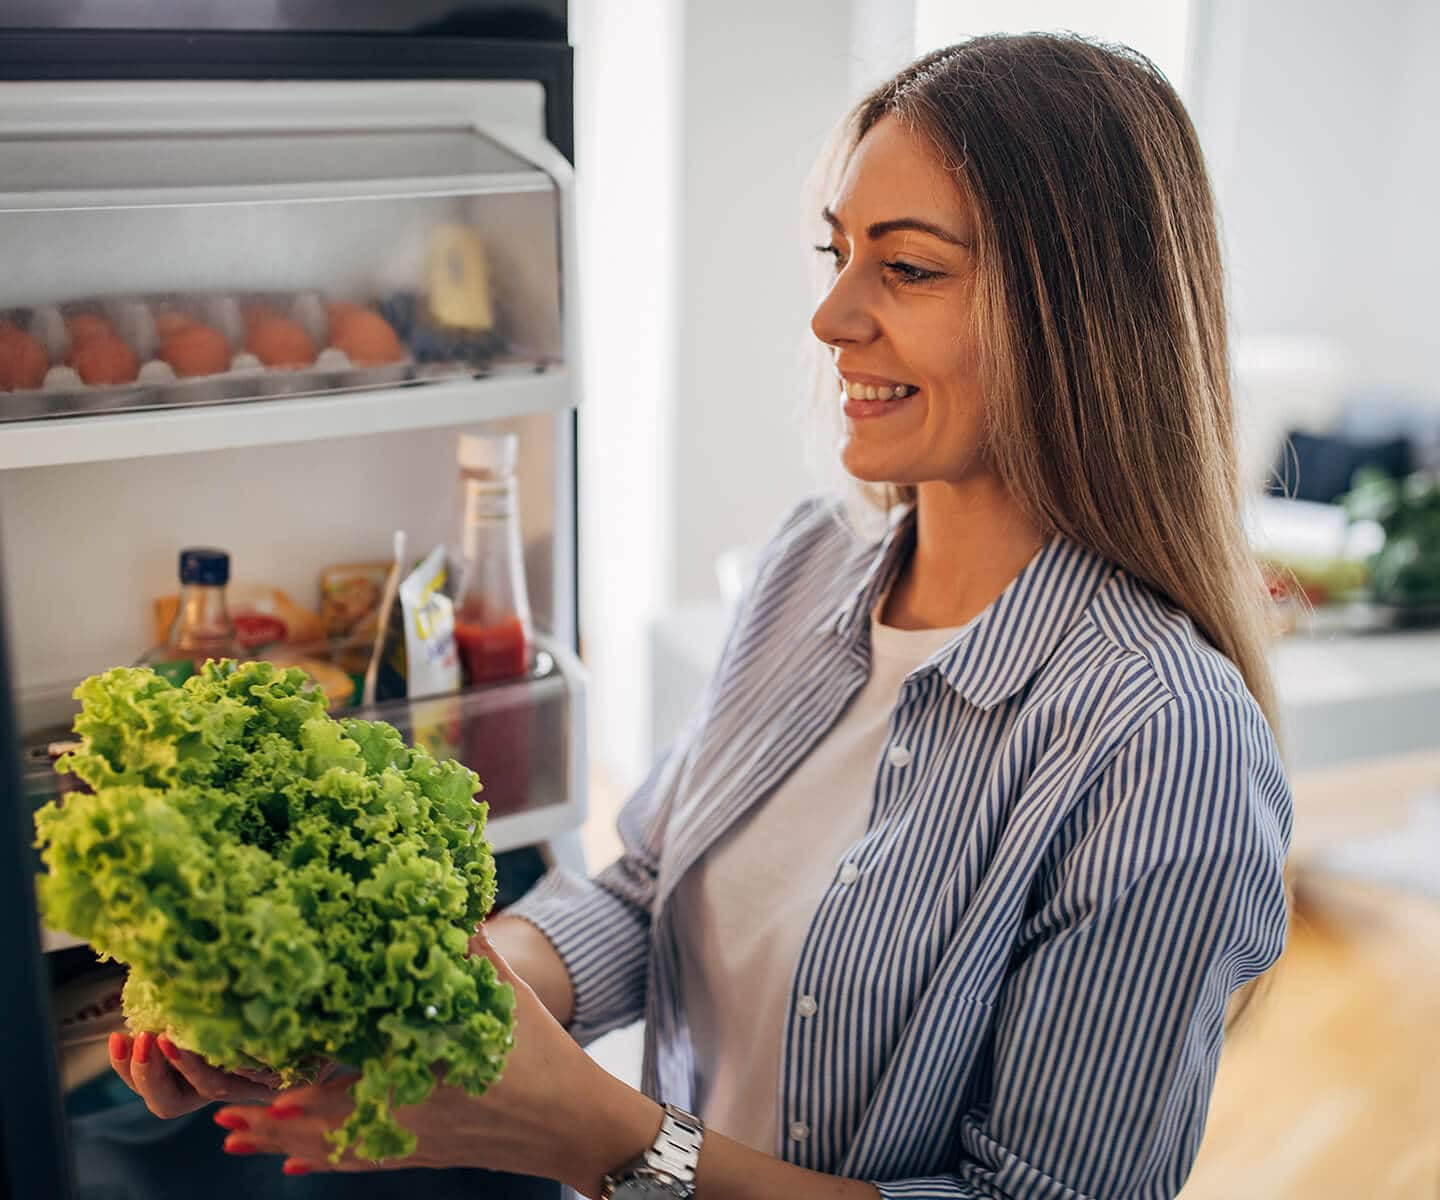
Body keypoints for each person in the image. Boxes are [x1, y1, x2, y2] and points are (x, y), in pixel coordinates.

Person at [112, 32, 1292, 1200]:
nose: (832, 318)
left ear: (1081, 313)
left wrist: (598, 1138)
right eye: (836, 256)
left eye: (910, 268)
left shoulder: (1163, 740)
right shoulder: (811, 564)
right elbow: (647, 889)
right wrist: (426, 1001)